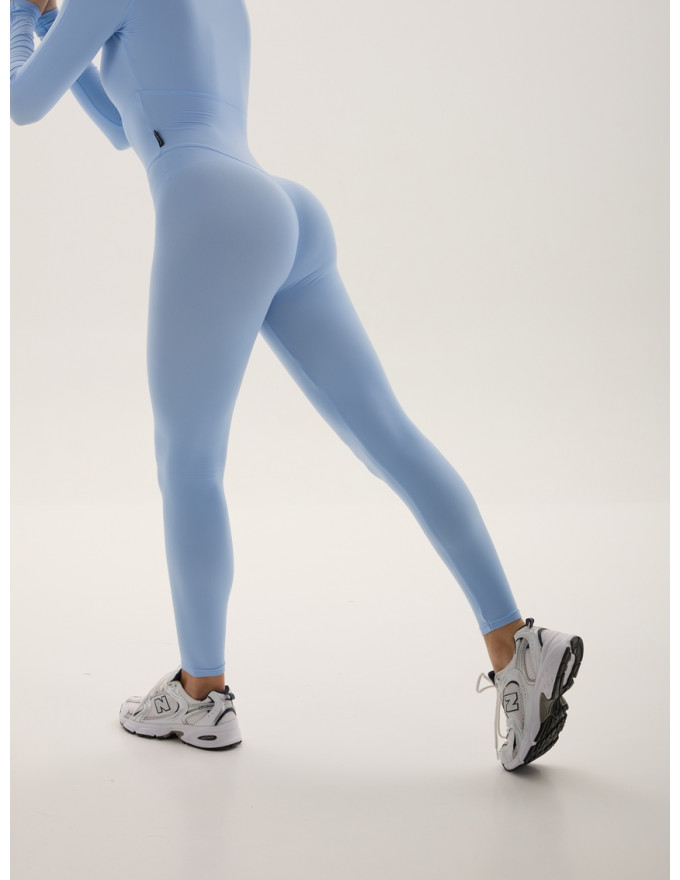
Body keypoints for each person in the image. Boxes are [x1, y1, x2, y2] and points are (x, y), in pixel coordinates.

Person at [9, 0, 583, 769]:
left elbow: (23, 100)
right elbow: (124, 123)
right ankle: (517, 644)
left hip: (209, 208)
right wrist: (55, 25)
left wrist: (19, 17)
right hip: (285, 210)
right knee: (390, 435)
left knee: (188, 463)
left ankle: (202, 692)